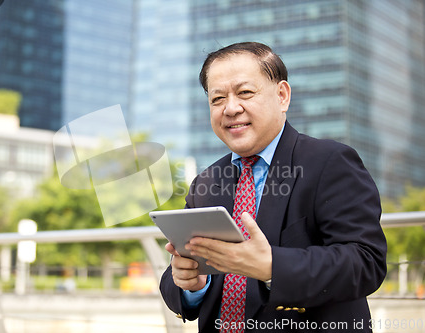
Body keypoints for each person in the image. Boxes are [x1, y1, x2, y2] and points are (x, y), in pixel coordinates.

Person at [159, 42, 387, 332]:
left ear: (282, 96)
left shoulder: (329, 161)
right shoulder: (205, 182)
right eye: (217, 98)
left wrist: (272, 267)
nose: (230, 108)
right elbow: (174, 281)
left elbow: (365, 262)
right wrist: (190, 284)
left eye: (245, 93)